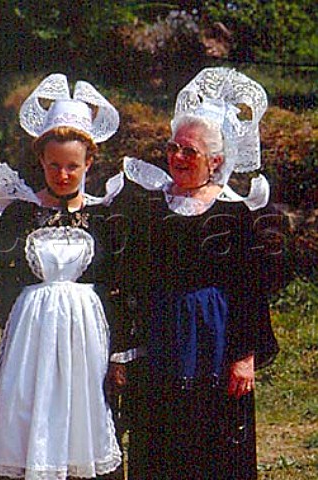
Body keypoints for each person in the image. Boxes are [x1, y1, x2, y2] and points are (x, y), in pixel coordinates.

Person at [113, 67, 284, 479]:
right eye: (173, 148)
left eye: (189, 152)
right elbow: (129, 279)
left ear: (216, 161)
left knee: (215, 440)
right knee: (159, 439)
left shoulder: (233, 214)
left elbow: (249, 288)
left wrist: (245, 356)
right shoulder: (151, 209)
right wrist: (123, 349)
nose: (177, 157)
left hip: (215, 342)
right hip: (161, 340)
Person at [0, 73, 125, 480]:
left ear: (89, 164)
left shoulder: (103, 216)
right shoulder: (21, 214)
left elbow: (119, 281)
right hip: (33, 337)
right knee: (29, 412)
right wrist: (23, 316)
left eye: (72, 166)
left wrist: (117, 346)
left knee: (85, 414)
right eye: (54, 165)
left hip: (88, 335)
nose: (63, 175)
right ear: (41, 160)